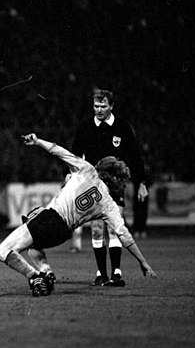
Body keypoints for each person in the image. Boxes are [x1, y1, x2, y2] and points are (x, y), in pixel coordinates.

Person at [0, 133, 157, 296]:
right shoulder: (109, 205)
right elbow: (124, 235)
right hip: (62, 234)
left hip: (50, 219)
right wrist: (142, 261)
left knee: (2, 252)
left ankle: (35, 277)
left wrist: (37, 141)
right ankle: (46, 272)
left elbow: (58, 151)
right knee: (34, 244)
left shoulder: (88, 170)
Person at [71, 89, 148, 287]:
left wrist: (142, 183)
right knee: (97, 229)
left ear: (111, 106)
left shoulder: (122, 127)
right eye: (96, 106)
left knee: (114, 226)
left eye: (103, 106)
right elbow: (74, 157)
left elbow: (136, 157)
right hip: (92, 184)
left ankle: (116, 273)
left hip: (115, 185)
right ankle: (100, 273)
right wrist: (71, 176)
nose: (99, 110)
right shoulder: (85, 128)